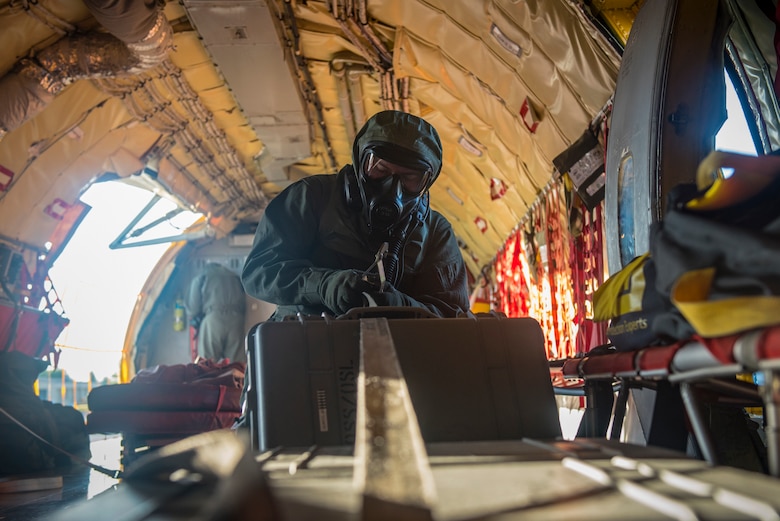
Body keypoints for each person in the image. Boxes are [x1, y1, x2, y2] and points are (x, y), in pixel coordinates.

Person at [241, 110, 470, 320]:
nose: (392, 189)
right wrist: (322, 285)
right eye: (380, 169)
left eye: (410, 178)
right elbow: (260, 271)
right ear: (360, 161)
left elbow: (452, 313)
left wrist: (400, 306)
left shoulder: (436, 232)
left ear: (426, 183)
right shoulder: (311, 198)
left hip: (395, 355)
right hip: (304, 346)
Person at [186, 262, 247, 362]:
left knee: (207, 366)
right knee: (237, 367)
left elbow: (193, 309)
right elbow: (244, 306)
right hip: (236, 322)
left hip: (213, 320)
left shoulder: (202, 277)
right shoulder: (235, 277)